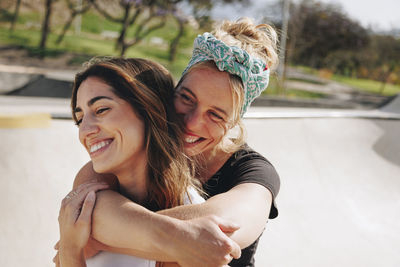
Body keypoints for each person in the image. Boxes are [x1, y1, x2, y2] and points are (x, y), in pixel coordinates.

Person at [55, 17, 280, 267]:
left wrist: (98, 239)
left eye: (215, 114)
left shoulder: (253, 171)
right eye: (186, 98)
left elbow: (216, 232)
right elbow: (89, 208)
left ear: (234, 123)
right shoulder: (121, 158)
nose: (192, 122)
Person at [56, 57, 212, 267]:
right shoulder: (90, 203)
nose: (85, 131)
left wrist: (71, 254)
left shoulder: (192, 228)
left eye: (101, 110)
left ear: (149, 110)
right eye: (80, 118)